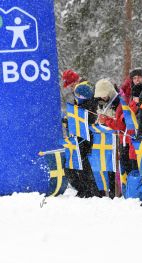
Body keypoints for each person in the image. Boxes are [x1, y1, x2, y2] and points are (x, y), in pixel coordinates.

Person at [61, 69, 101, 198]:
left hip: (86, 131)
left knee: (83, 160)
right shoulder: (83, 89)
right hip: (81, 130)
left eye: (72, 85)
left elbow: (87, 112)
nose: (71, 89)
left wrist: (74, 121)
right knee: (79, 160)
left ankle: (89, 189)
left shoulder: (85, 89)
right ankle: (85, 189)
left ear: (76, 81)